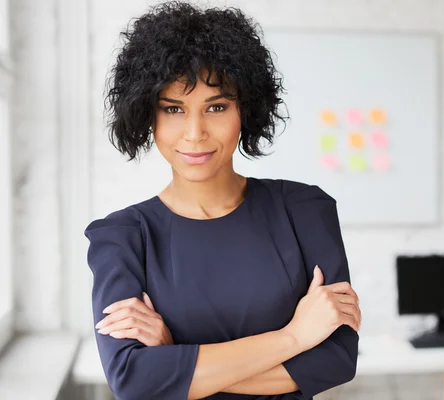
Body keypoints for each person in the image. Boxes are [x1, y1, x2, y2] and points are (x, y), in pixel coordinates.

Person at [84, 2, 361, 399]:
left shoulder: (304, 210)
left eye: (216, 107)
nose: (194, 133)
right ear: (149, 116)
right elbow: (133, 380)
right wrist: (294, 337)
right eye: (173, 109)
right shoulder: (122, 237)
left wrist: (175, 360)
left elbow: (336, 359)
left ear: (244, 110)